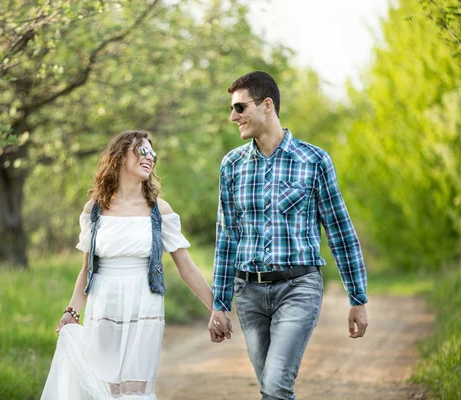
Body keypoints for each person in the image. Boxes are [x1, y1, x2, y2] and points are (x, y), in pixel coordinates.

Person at [207, 71, 369, 400]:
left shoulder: (314, 160)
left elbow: (339, 230)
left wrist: (358, 298)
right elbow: (226, 239)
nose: (232, 116)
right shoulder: (231, 166)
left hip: (298, 288)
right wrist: (220, 304)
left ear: (267, 105)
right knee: (271, 389)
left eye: (239, 108)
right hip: (248, 294)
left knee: (276, 384)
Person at [40, 129, 215, 400]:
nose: (150, 158)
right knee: (104, 387)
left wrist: (216, 308)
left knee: (135, 388)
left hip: (144, 305)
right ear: (120, 157)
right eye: (143, 151)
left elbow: (187, 267)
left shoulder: (160, 210)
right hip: (104, 305)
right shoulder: (94, 210)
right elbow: (87, 269)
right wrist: (72, 311)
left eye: (153, 154)